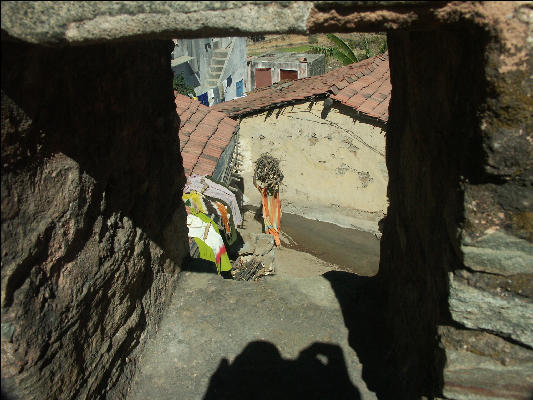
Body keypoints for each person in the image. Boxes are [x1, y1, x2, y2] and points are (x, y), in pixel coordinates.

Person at [253, 173, 281, 246]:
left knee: (271, 228)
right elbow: (254, 183)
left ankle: (275, 243)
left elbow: (254, 183)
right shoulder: (273, 192)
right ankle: (274, 243)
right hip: (273, 215)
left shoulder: (269, 192)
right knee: (273, 229)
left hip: (271, 215)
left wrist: (255, 173)